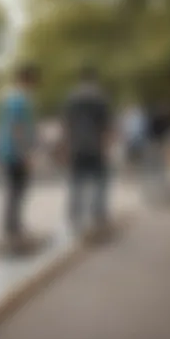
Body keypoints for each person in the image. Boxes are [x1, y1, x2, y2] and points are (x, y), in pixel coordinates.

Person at [61, 66, 112, 237]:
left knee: (76, 183)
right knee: (99, 182)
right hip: (95, 146)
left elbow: (66, 125)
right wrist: (105, 147)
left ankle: (75, 218)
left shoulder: (71, 98)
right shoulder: (100, 98)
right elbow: (105, 126)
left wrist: (66, 147)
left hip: (76, 146)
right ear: (94, 79)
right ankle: (98, 217)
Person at [0, 64, 40, 246]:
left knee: (14, 190)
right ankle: (12, 229)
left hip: (8, 151)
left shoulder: (10, 98)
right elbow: (17, 127)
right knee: (17, 190)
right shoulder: (19, 100)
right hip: (15, 153)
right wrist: (25, 154)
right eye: (32, 83)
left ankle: (13, 227)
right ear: (26, 81)